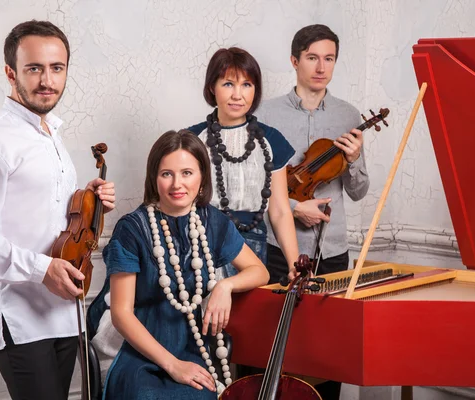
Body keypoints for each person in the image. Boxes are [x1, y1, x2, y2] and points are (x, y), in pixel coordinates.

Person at [0, 20, 116, 400]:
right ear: (11, 73)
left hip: (63, 312)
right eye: (34, 68)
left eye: (57, 68)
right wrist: (42, 270)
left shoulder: (53, 134)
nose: (47, 80)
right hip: (19, 316)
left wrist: (85, 198)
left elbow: (47, 212)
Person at [91, 130, 269, 399]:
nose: (177, 184)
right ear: (154, 178)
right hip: (134, 346)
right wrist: (173, 366)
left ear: (202, 177)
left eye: (187, 173)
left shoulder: (213, 222)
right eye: (167, 174)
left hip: (189, 343)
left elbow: (260, 272)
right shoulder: (133, 228)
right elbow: (121, 314)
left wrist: (225, 286)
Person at [256, 24, 370, 399]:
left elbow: (358, 191)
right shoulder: (266, 114)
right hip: (276, 252)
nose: (321, 67)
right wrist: (292, 206)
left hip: (332, 253)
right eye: (312, 58)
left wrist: (353, 161)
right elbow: (249, 190)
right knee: (275, 352)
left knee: (328, 353)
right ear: (294, 61)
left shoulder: (348, 114)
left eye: (329, 58)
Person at [188, 47, 300, 281]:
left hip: (252, 248)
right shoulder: (192, 140)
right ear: (212, 87)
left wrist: (294, 266)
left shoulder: (271, 140)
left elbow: (279, 210)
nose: (238, 95)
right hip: (200, 245)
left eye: (247, 85)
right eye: (228, 84)